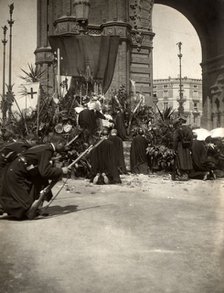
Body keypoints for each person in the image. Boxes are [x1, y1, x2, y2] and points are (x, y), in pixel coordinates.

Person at [0, 135, 69, 220]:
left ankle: (13, 210)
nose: (65, 147)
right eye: (64, 145)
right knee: (24, 203)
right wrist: (61, 170)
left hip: (18, 170)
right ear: (59, 143)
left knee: (22, 197)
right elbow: (45, 172)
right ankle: (6, 209)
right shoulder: (47, 150)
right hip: (17, 172)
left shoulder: (45, 147)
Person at [172, 116, 193, 181]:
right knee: (186, 159)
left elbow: (175, 140)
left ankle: (181, 175)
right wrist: (190, 147)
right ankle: (186, 175)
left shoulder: (178, 130)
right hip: (186, 147)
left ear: (179, 122)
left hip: (180, 146)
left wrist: (174, 149)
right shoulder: (189, 129)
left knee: (180, 159)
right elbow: (191, 140)